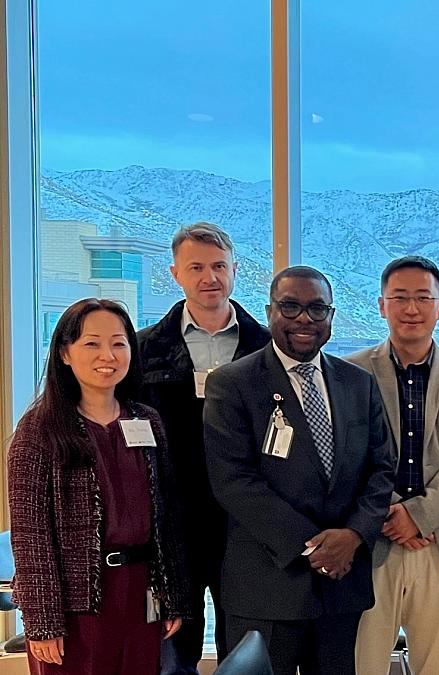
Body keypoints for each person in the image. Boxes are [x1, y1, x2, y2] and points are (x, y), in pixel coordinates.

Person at [203, 266, 395, 675]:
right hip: (267, 585)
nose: (304, 319)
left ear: (331, 316)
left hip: (341, 587)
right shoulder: (232, 384)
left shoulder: (357, 383)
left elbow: (382, 468)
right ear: (270, 310)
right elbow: (233, 482)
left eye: (316, 309)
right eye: (290, 307)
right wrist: (314, 547)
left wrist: (353, 536)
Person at [8, 298, 189, 674]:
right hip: (75, 601)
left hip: (141, 592)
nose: (107, 354)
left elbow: (166, 517)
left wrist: (173, 597)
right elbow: (30, 535)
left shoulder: (146, 420)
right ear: (64, 353)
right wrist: (42, 622)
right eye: (92, 343)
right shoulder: (39, 430)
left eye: (119, 343)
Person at [349, 256, 439, 675]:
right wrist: (392, 515)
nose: (411, 309)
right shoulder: (351, 373)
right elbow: (349, 456)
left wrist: (418, 515)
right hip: (374, 540)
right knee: (365, 662)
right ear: (381, 305)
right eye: (399, 298)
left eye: (422, 298)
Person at [137, 222, 271, 673]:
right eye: (196, 267)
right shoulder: (143, 350)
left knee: (246, 642)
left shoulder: (266, 348)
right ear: (176, 273)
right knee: (175, 647)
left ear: (235, 269)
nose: (208, 277)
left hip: (245, 520)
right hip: (173, 520)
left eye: (218, 266)